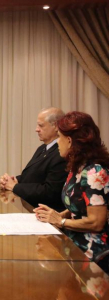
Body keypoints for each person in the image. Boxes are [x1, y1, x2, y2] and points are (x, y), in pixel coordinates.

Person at [34, 111, 109, 267]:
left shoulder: (94, 172)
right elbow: (79, 205)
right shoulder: (78, 168)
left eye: (59, 137)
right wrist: (55, 215)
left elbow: (96, 222)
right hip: (75, 247)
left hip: (94, 255)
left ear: (69, 141)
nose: (58, 142)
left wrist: (60, 221)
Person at [0, 107, 67, 211]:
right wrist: (14, 180)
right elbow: (33, 175)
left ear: (56, 126)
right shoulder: (43, 148)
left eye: (41, 125)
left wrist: (14, 187)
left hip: (48, 214)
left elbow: (50, 191)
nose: (36, 129)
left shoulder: (62, 152)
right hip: (32, 209)